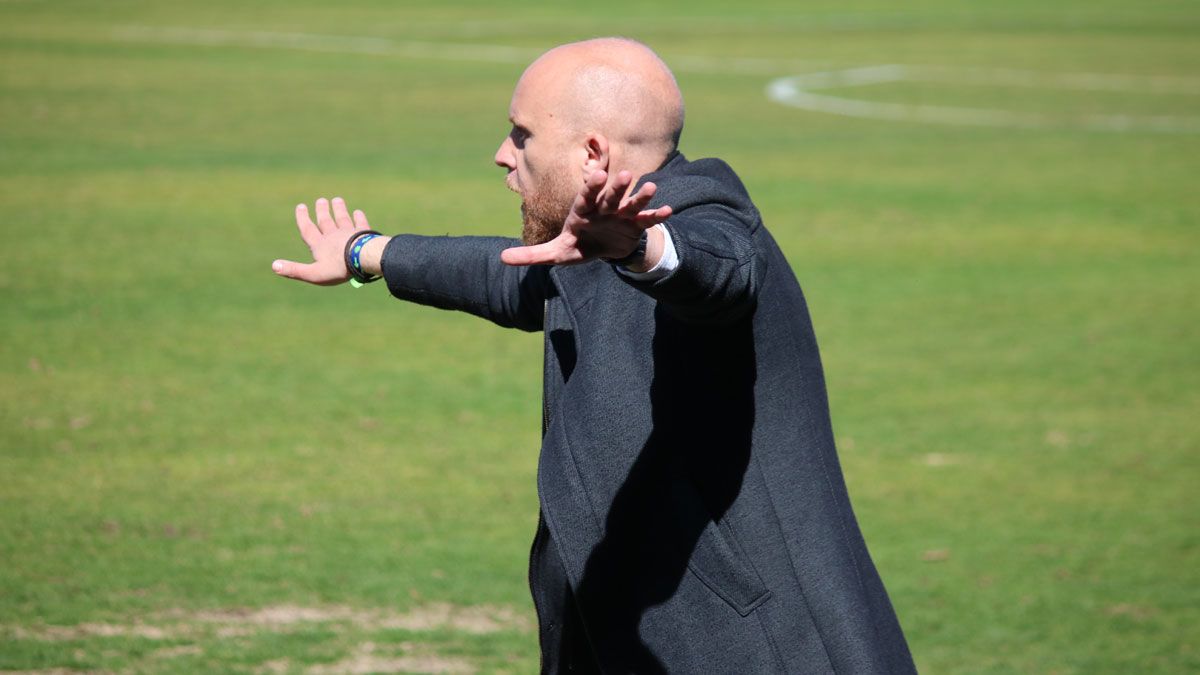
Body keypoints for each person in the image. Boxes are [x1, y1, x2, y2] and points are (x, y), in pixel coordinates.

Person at [272, 37, 916, 674]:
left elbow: (717, 273)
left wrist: (640, 250)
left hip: (766, 653)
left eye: (521, 134)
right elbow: (509, 278)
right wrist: (366, 252)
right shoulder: (587, 248)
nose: (502, 155)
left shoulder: (704, 221)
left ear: (593, 153)